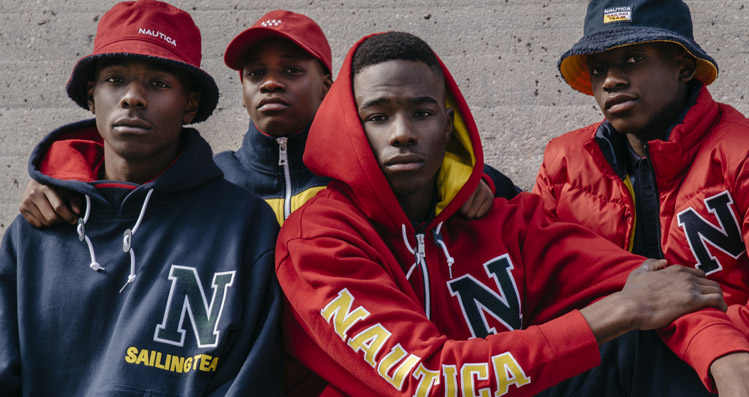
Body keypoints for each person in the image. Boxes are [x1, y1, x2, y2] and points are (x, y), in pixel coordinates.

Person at [272, 31, 749, 397]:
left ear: (448, 123)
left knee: (635, 339)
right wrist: (614, 313)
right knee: (621, 318)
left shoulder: (506, 221)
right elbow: (429, 384)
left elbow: (653, 285)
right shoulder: (320, 238)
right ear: (351, 127)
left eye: (421, 112)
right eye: (378, 117)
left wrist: (733, 365)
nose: (401, 133)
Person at [0, 1, 282, 397]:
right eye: (115, 79)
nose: (133, 96)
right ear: (91, 95)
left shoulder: (242, 228)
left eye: (158, 82)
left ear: (190, 104)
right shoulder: (36, 232)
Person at [532, 1, 749, 397]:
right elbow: (541, 291)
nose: (611, 80)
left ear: (681, 64)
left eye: (632, 59)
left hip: (740, 362)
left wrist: (726, 362)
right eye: (599, 67)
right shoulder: (565, 162)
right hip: (613, 365)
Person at [19, 10, 513, 229]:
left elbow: (446, 175)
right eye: (256, 73)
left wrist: (470, 184)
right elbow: (131, 188)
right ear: (241, 89)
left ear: (327, 85)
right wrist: (65, 183)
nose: (271, 84)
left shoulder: (363, 171)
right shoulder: (213, 178)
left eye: (291, 71)